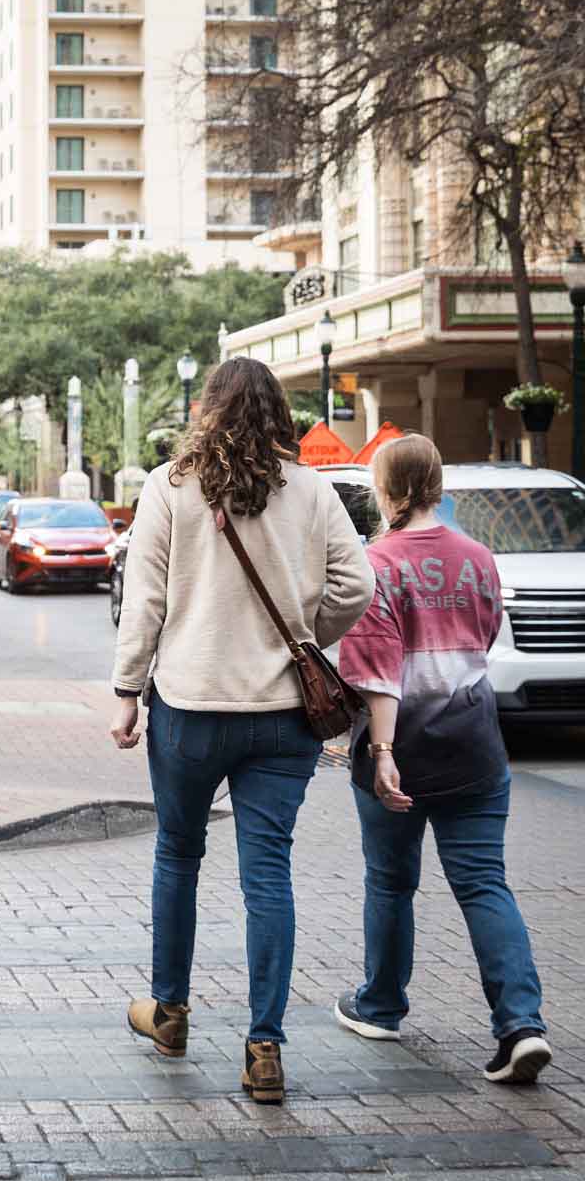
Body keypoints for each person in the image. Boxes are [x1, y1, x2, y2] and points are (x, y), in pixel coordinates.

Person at [109, 357, 372, 1103]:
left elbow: (145, 600)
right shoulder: (312, 489)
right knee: (269, 875)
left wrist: (127, 690)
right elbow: (359, 585)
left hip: (189, 705)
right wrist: (307, 631)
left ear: (208, 408)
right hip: (284, 713)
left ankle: (170, 1013)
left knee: (178, 853)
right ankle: (264, 1048)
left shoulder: (171, 485)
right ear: (279, 414)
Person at [333, 434, 553, 1083]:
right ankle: (520, 1024)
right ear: (434, 485)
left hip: (400, 745)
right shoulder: (481, 558)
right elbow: (483, 638)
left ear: (389, 490)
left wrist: (381, 751)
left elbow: (375, 670)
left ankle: (379, 1003)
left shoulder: (377, 562)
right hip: (474, 744)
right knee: (484, 882)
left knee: (391, 880)